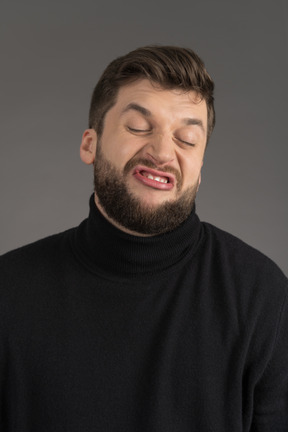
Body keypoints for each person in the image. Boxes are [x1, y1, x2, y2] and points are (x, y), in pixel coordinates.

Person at [0, 45, 287, 432]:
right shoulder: (9, 290)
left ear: (199, 171)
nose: (162, 152)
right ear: (90, 144)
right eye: (138, 127)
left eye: (186, 138)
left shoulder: (262, 297)